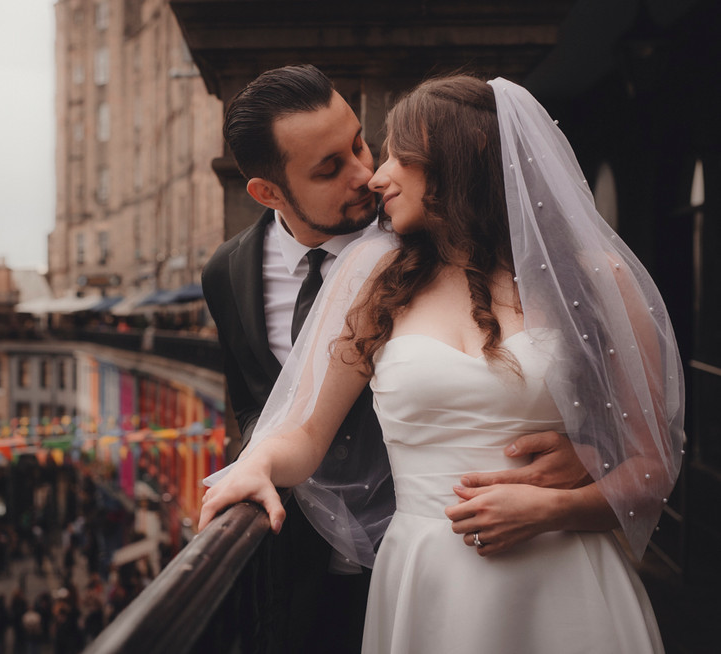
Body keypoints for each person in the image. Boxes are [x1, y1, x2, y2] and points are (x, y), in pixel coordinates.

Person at [200, 74, 684, 652]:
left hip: (567, 576)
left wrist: (557, 507)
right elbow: (303, 431)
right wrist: (256, 462)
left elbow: (652, 469)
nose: (375, 177)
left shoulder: (596, 278)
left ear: (460, 161)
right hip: (425, 576)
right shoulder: (372, 275)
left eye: (395, 157)